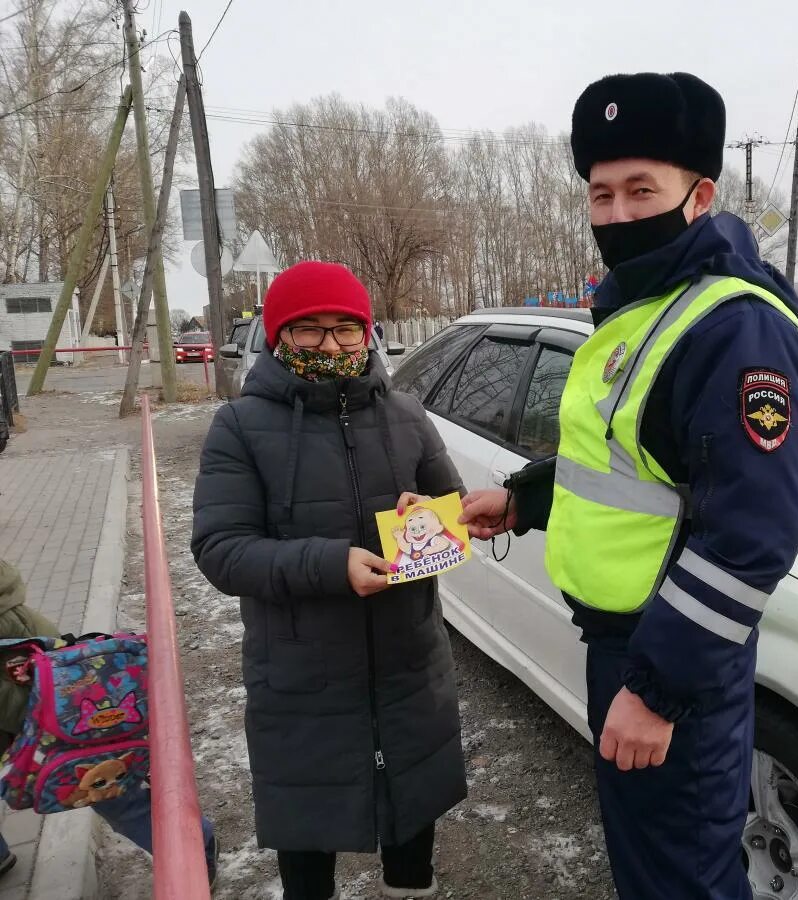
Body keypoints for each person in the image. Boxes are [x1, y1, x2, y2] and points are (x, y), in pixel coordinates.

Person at [459, 72, 798, 898]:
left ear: (700, 197)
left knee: (680, 878)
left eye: (641, 190)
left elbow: (748, 537)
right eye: (601, 193)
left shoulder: (733, 324)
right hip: (627, 646)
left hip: (671, 657)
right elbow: (633, 464)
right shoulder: (642, 305)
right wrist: (524, 499)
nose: (618, 213)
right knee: (653, 866)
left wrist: (657, 692)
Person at [191, 261, 466, 900]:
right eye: (308, 331)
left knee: (411, 823)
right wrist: (328, 564)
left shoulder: (405, 413)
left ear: (366, 334)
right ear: (278, 336)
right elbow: (220, 549)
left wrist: (425, 517)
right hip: (300, 673)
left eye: (345, 330)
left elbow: (452, 512)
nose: (331, 345)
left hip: (406, 664)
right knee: (307, 842)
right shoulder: (239, 427)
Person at [0, 559, 219, 884]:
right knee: (98, 777)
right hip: (37, 684)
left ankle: (193, 851)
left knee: (103, 782)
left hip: (34, 696)